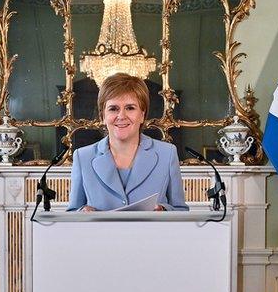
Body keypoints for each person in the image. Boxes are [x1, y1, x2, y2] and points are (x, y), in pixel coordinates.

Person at [68, 73, 188, 212]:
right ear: (103, 116)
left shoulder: (167, 154)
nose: (121, 116)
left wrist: (163, 210)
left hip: (152, 234)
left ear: (142, 114)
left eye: (130, 108)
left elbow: (180, 210)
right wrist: (82, 212)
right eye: (113, 109)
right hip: (99, 234)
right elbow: (72, 211)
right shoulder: (82, 157)